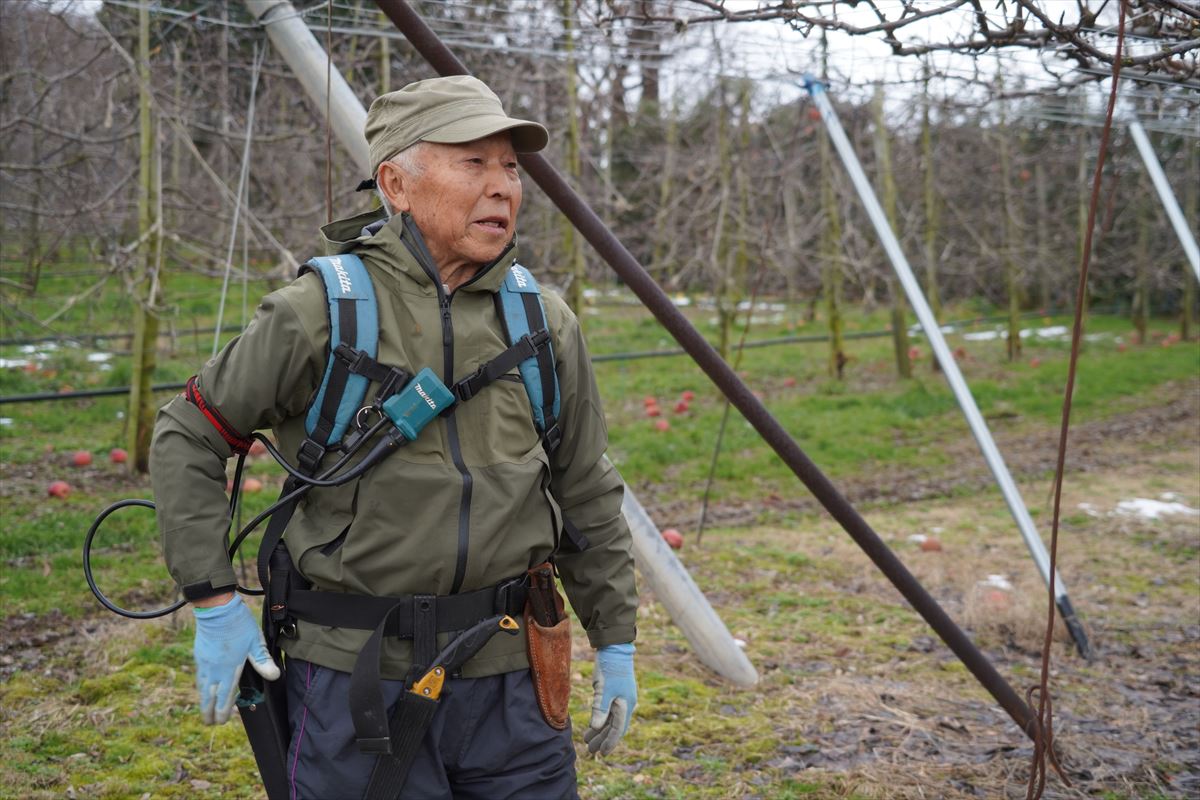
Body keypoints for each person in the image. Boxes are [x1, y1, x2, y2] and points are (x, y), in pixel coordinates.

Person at [150, 75, 638, 800]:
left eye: (510, 165)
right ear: (396, 183)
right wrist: (213, 601)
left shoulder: (541, 322)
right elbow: (190, 429)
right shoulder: (320, 312)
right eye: (473, 162)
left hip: (513, 679)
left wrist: (616, 635)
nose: (503, 186)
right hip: (357, 679)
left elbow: (581, 480)